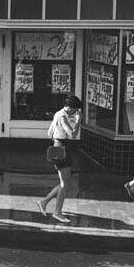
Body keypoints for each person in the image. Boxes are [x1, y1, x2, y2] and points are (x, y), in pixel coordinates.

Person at [37, 95, 82, 223]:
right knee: (64, 183)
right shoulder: (62, 117)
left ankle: (44, 202)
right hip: (62, 148)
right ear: (70, 107)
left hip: (58, 146)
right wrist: (78, 121)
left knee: (65, 182)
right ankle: (57, 212)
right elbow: (72, 135)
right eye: (75, 110)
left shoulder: (58, 114)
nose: (75, 112)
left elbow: (49, 133)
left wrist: (56, 140)